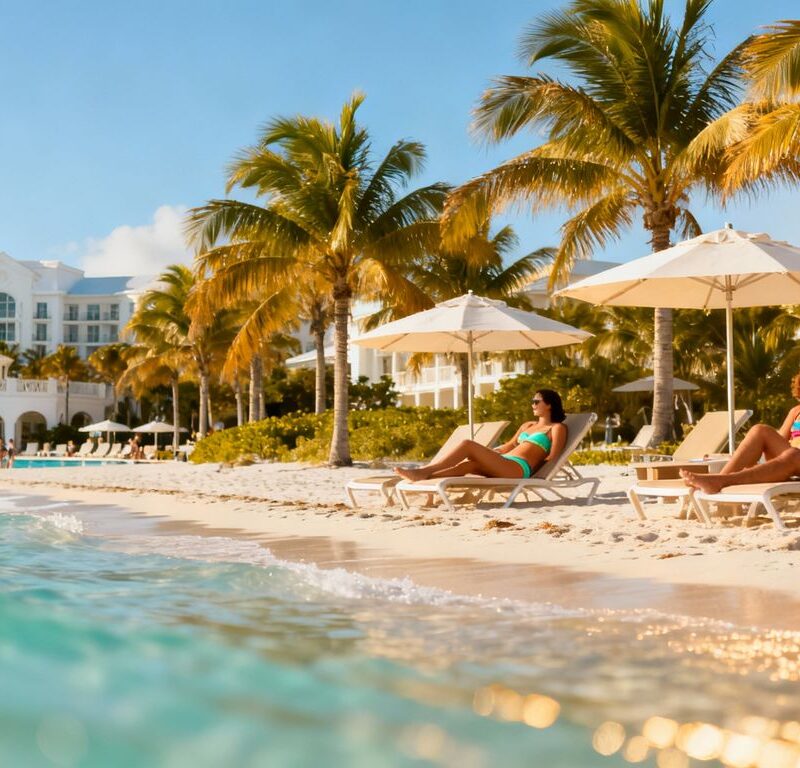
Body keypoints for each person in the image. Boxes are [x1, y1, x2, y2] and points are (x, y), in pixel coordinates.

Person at [395, 389, 568, 482]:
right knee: (468, 466)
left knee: (467, 444)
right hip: (505, 461)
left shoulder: (556, 428)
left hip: (518, 469)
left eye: (536, 401)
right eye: (532, 401)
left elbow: (553, 457)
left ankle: (423, 472)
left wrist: (533, 477)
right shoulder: (527, 425)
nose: (533, 404)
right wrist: (491, 453)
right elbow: (509, 445)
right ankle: (425, 479)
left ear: (550, 405)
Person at [681, 372, 800, 494]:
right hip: (793, 460)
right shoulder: (796, 411)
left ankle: (721, 481)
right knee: (760, 430)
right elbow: (778, 442)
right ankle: (719, 481)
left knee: (794, 454)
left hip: (796, 457)